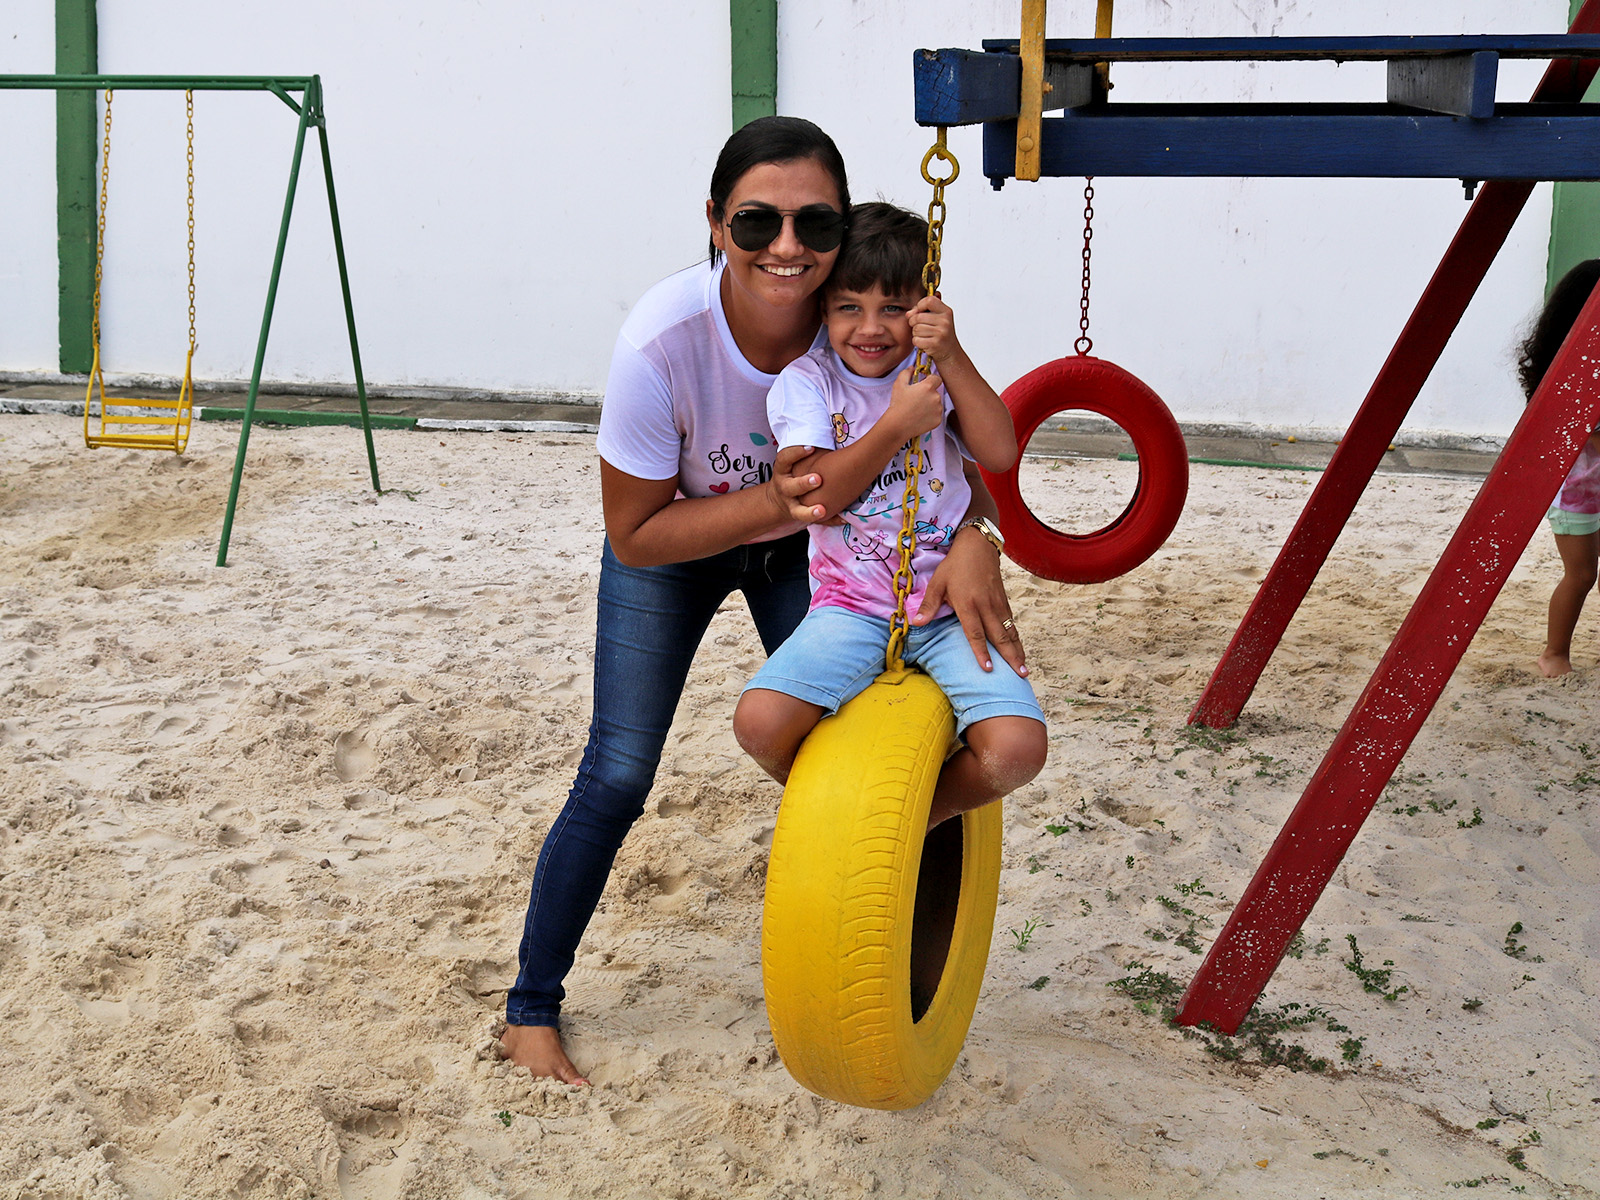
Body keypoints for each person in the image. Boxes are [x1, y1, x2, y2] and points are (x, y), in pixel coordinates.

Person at [500, 119, 1027, 1084]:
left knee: (894, 738)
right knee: (618, 773)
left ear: (842, 230)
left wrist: (973, 540)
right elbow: (635, 533)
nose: (786, 247)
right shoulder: (662, 343)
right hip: (679, 543)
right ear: (715, 223)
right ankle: (532, 1005)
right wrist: (781, 501)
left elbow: (949, 453)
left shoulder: (866, 311)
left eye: (812, 223)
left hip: (820, 557)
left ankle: (903, 983)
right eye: (756, 222)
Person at [732, 202, 1047, 830]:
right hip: (849, 606)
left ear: (924, 309)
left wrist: (951, 355)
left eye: (894, 308)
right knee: (760, 723)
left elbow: (999, 452)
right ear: (823, 309)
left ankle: (914, 823)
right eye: (849, 306)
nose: (870, 328)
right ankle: (843, 809)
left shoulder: (930, 373)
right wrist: (897, 425)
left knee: (1017, 749)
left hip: (948, 607)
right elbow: (817, 496)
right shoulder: (808, 383)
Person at [1518, 258, 1600, 678]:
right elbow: (1594, 435)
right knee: (1581, 574)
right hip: (1577, 493)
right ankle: (1554, 654)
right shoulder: (1572, 369)